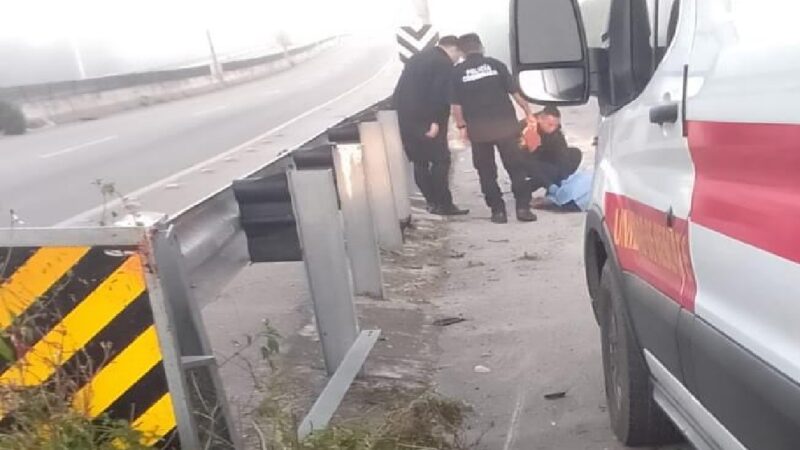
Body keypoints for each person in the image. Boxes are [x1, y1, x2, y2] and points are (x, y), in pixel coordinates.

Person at [450, 33, 536, 224]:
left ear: (462, 51)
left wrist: (462, 127)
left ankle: (498, 212)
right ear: (480, 46)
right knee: (516, 168)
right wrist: (528, 113)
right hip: (506, 126)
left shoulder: (457, 73)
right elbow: (515, 93)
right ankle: (523, 208)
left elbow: (456, 107)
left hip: (479, 131)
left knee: (486, 172)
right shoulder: (496, 65)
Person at [393, 36, 469, 216]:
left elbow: (400, 91)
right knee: (441, 160)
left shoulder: (416, 58)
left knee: (420, 163)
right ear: (454, 49)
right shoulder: (443, 63)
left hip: (405, 119)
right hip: (428, 121)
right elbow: (439, 94)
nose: (458, 59)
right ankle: (444, 204)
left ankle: (432, 202)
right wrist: (434, 121)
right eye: (459, 56)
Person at [520, 106, 583, 195]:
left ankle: (557, 189)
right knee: (552, 171)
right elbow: (526, 160)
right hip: (524, 160)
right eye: (550, 125)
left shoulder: (554, 129)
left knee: (574, 154)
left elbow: (562, 153)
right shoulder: (528, 129)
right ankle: (523, 188)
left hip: (543, 155)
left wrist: (564, 181)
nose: (553, 128)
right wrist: (549, 185)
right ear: (540, 119)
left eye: (556, 125)